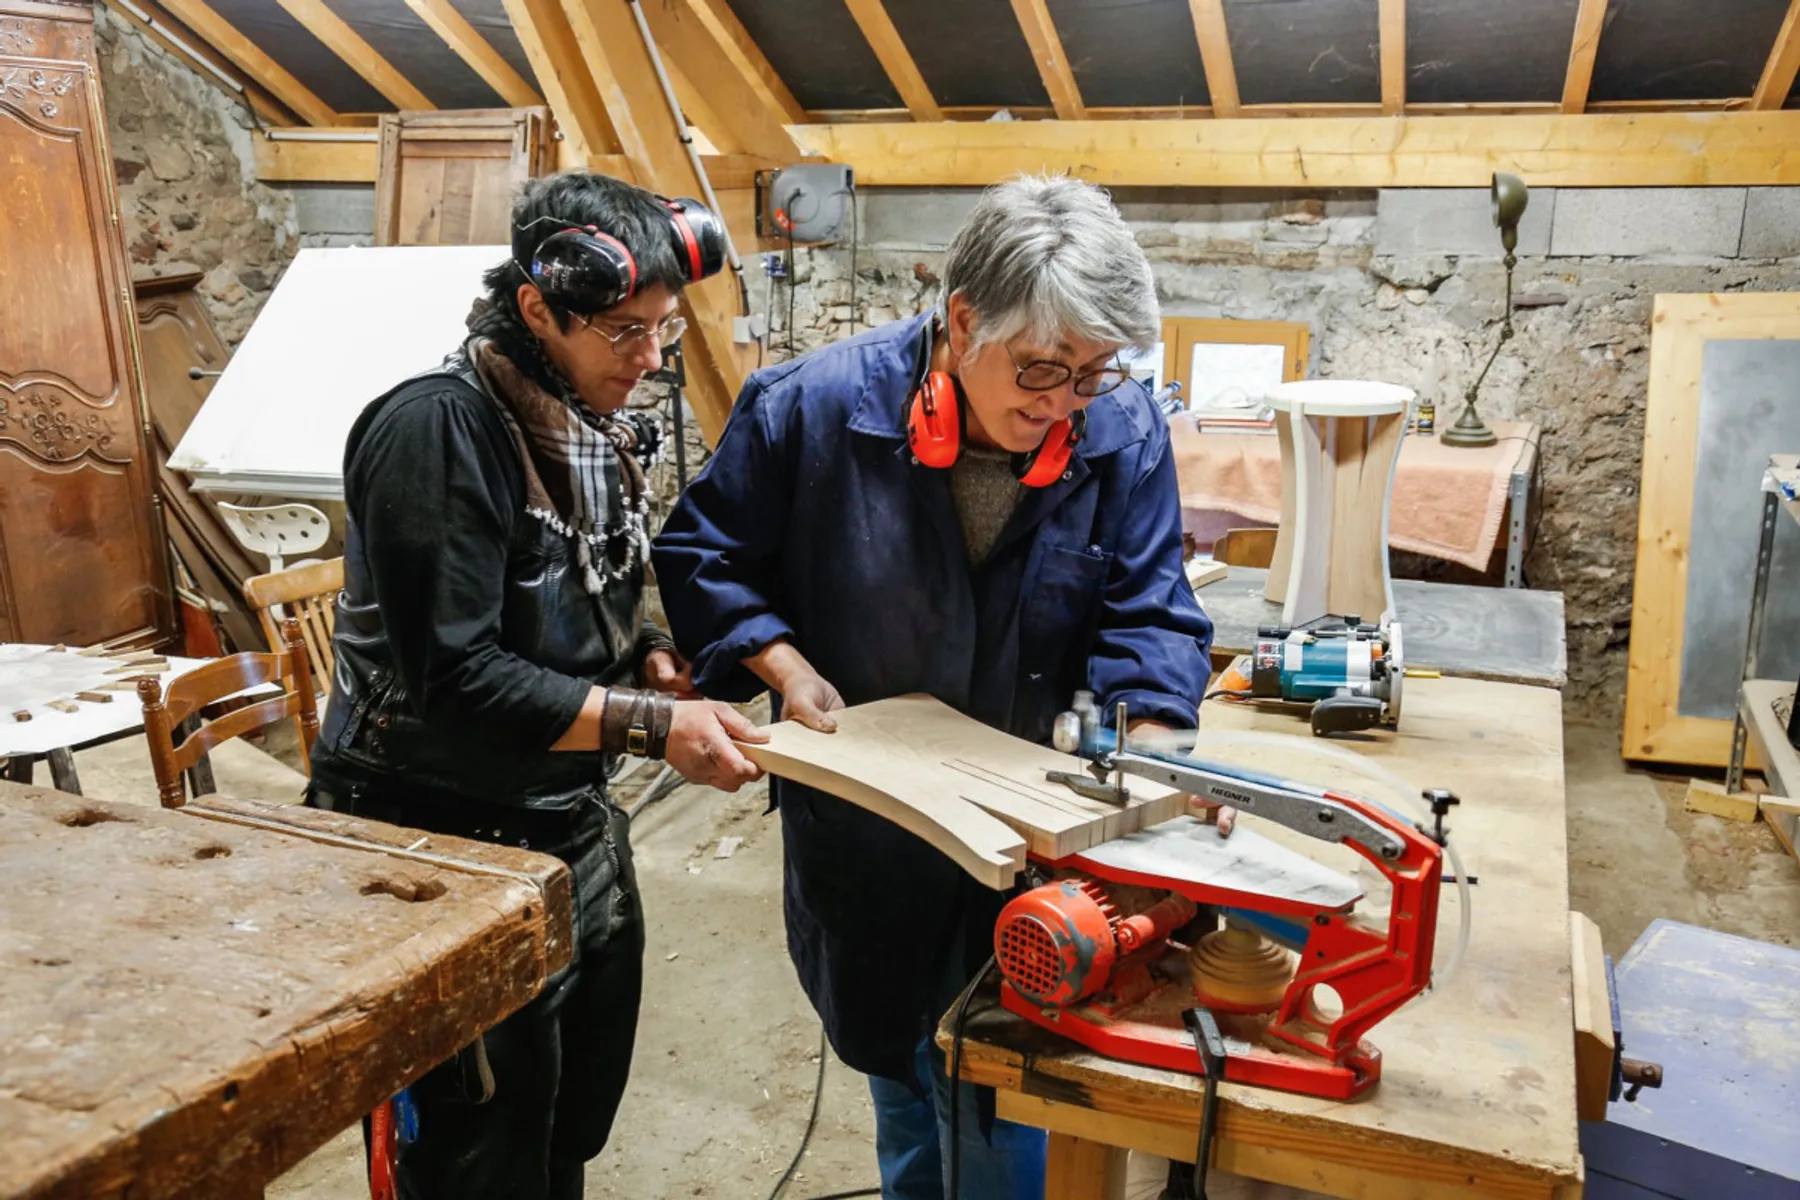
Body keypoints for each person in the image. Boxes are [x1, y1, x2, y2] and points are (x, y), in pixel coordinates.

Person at [653, 174, 1217, 1199]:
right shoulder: (813, 408)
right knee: (906, 1080)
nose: (1062, 403)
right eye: (1042, 367)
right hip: (869, 841)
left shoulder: (1121, 429)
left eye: (1092, 374)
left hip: (1042, 848)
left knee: (1014, 1108)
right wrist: (783, 663)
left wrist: (1149, 750)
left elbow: (1149, 610)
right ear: (962, 322)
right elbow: (705, 555)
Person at [307, 171, 767, 1200]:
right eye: (624, 331)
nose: (651, 357)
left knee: (568, 1119)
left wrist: (644, 653)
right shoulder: (438, 431)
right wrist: (651, 725)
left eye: (662, 328)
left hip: (562, 817)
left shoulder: (579, 424)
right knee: (479, 1148)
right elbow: (456, 677)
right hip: (438, 842)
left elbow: (568, 592)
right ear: (536, 306)